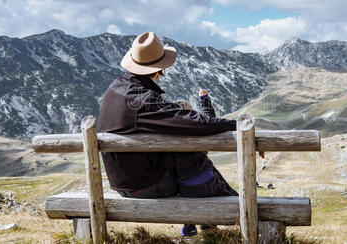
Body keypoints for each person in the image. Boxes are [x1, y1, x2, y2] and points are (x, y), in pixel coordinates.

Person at [97, 31, 242, 236]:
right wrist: (237, 126)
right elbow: (192, 122)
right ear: (158, 70)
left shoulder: (117, 87)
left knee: (190, 157)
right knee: (193, 157)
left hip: (124, 181)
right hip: (145, 186)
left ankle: (211, 223)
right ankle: (237, 211)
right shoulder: (143, 100)